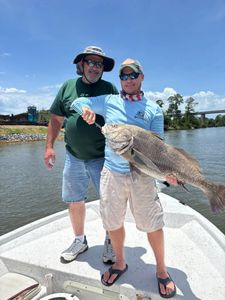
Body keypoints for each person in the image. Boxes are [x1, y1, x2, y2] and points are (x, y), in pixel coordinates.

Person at [71, 58, 177, 298]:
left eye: (133, 75)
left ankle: (161, 270)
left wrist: (167, 173)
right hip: (112, 172)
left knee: (153, 223)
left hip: (142, 175)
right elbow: (78, 101)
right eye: (123, 76)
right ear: (120, 80)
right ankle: (120, 263)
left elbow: (158, 148)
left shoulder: (153, 110)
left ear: (141, 77)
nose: (128, 80)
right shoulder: (109, 101)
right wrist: (85, 111)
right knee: (113, 222)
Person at [44, 46, 118, 264]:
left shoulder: (109, 88)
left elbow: (119, 119)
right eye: (91, 62)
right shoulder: (67, 87)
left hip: (102, 156)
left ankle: (111, 241)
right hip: (73, 156)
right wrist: (49, 146)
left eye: (99, 64)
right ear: (82, 65)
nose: (95, 67)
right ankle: (80, 240)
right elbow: (56, 119)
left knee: (109, 201)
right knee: (75, 201)